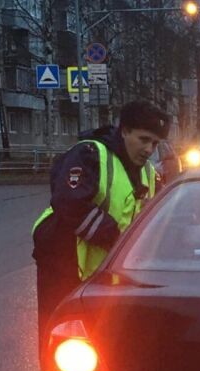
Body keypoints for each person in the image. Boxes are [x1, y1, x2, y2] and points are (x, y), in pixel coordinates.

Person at [31, 100, 169, 354]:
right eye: (144, 139)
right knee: (61, 343)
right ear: (124, 130)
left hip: (111, 274)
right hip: (64, 267)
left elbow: (157, 219)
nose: (149, 149)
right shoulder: (90, 154)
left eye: (155, 144)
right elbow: (69, 202)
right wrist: (121, 241)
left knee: (107, 346)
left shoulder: (148, 172)